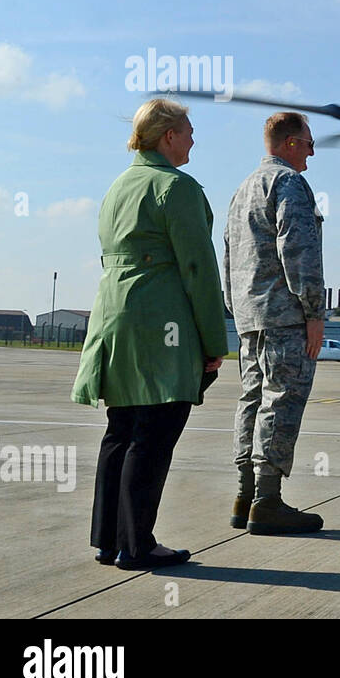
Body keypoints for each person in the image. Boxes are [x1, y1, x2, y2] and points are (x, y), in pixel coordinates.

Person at [73, 98, 227, 570]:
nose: (193, 139)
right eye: (188, 130)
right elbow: (198, 269)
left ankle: (109, 538)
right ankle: (138, 543)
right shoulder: (175, 187)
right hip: (162, 321)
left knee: (120, 430)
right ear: (168, 137)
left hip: (114, 317)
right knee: (155, 430)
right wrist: (214, 341)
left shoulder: (119, 187)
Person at [223, 112, 326, 535]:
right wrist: (315, 312)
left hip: (251, 318)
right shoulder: (288, 184)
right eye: (307, 143)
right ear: (288, 143)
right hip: (284, 316)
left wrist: (237, 310)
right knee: (280, 401)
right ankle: (267, 501)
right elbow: (298, 250)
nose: (311, 151)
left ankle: (245, 495)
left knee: (252, 401)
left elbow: (227, 258)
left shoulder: (243, 189)